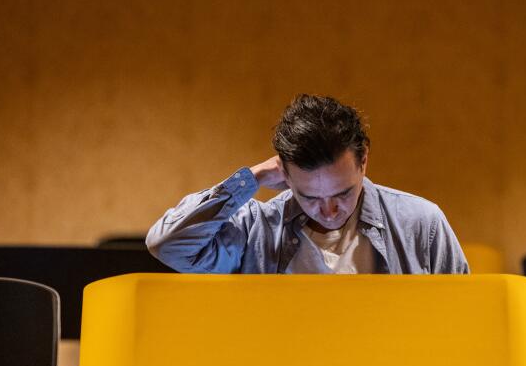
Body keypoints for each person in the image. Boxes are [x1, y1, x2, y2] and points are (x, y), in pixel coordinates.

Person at [147, 94, 469, 274]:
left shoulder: (421, 223)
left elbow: (463, 317)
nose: (329, 210)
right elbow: (169, 244)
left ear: (364, 160)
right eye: (309, 196)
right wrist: (253, 177)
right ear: (285, 175)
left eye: (343, 193)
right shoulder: (256, 228)